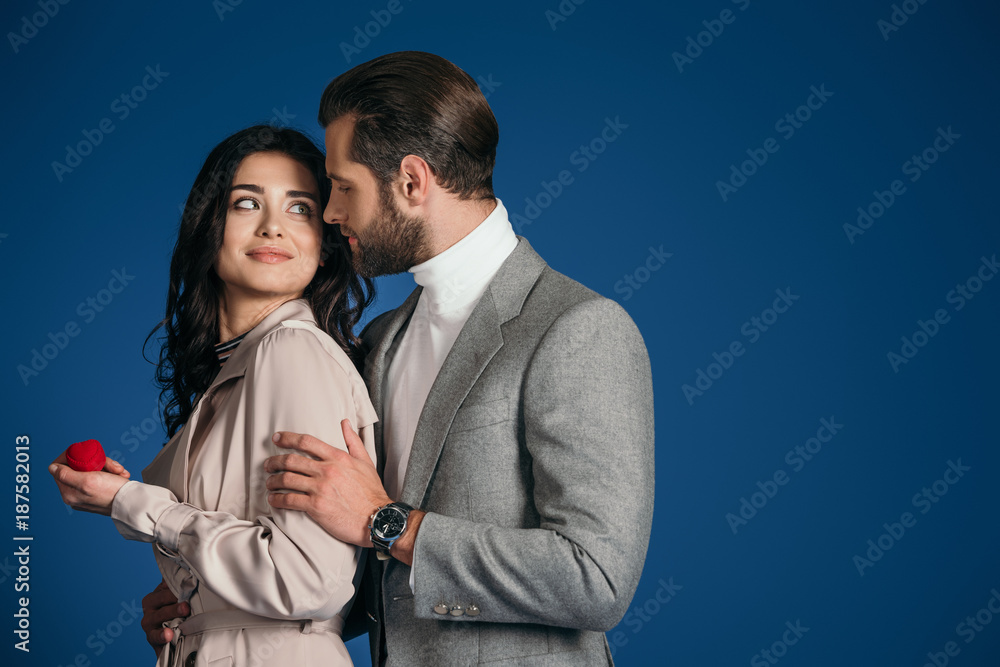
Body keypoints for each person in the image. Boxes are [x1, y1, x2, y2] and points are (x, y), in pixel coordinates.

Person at [145, 51, 655, 666]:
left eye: (342, 187)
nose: (332, 213)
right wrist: (206, 600)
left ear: (411, 182)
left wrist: (392, 523)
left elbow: (596, 578)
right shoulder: (380, 342)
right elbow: (367, 581)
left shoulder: (577, 328)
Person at [49, 125, 376, 667]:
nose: (273, 226)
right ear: (210, 228)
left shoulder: (290, 350)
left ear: (325, 247)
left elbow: (306, 581)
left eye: (301, 209)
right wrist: (192, 610)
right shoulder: (241, 368)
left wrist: (130, 504)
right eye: (247, 203)